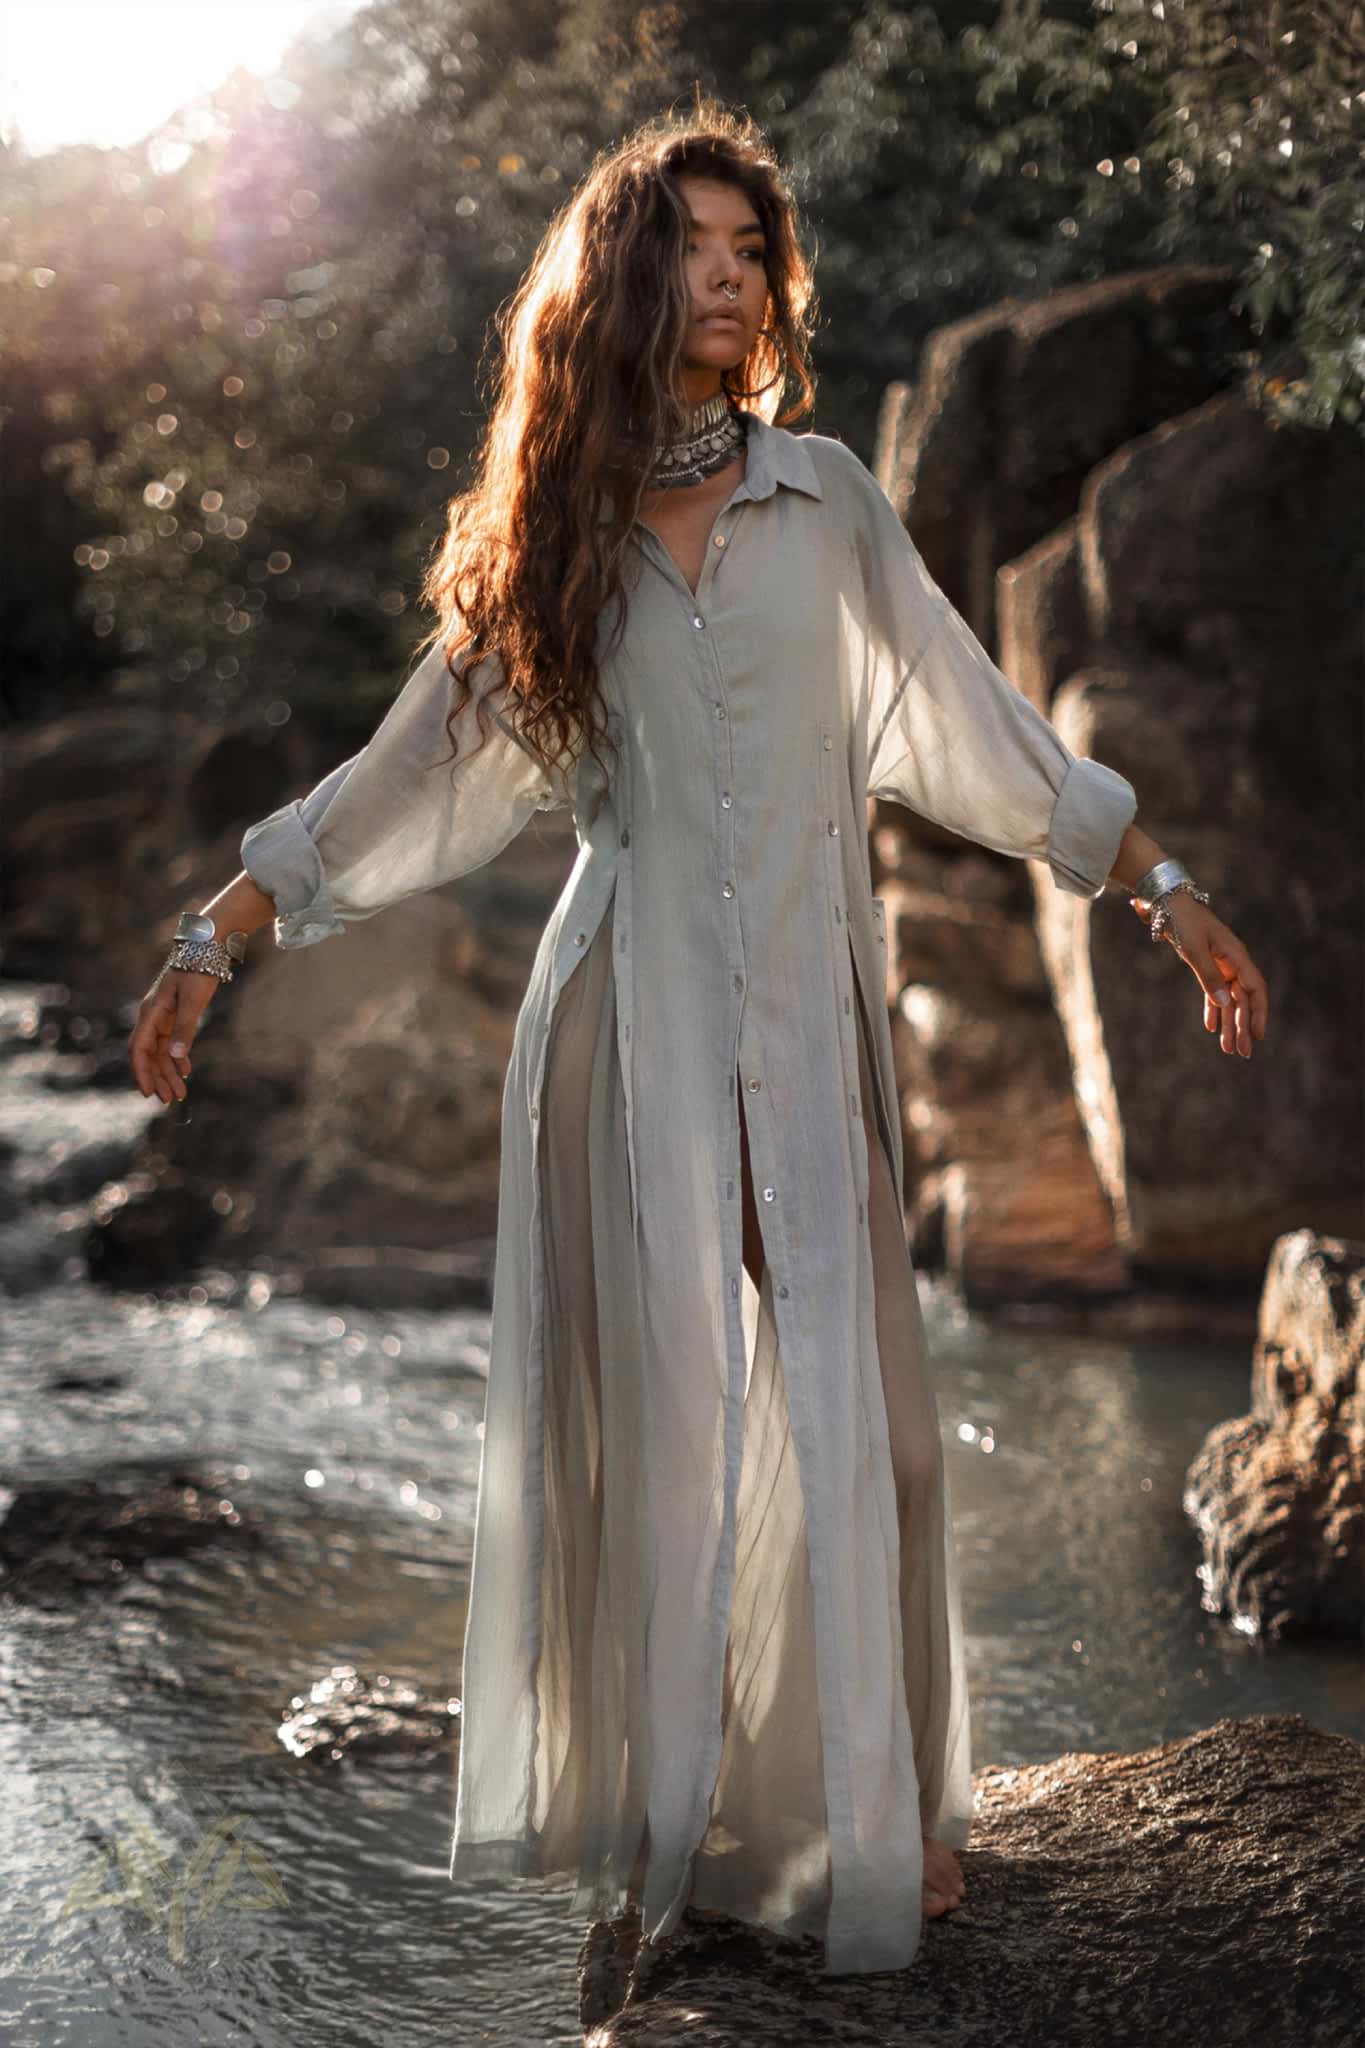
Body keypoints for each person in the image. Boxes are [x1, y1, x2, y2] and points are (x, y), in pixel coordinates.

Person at [128, 104, 1268, 1977]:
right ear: (624, 285)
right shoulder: (558, 541)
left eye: (754, 250)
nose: (733, 280)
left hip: (804, 1023)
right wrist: (211, 941)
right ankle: (669, 1833)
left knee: (874, 1431)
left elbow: (979, 729)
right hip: (619, 1032)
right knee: (660, 1443)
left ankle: (873, 1822)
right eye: (698, 251)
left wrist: (1159, 889)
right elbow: (403, 779)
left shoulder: (828, 502)